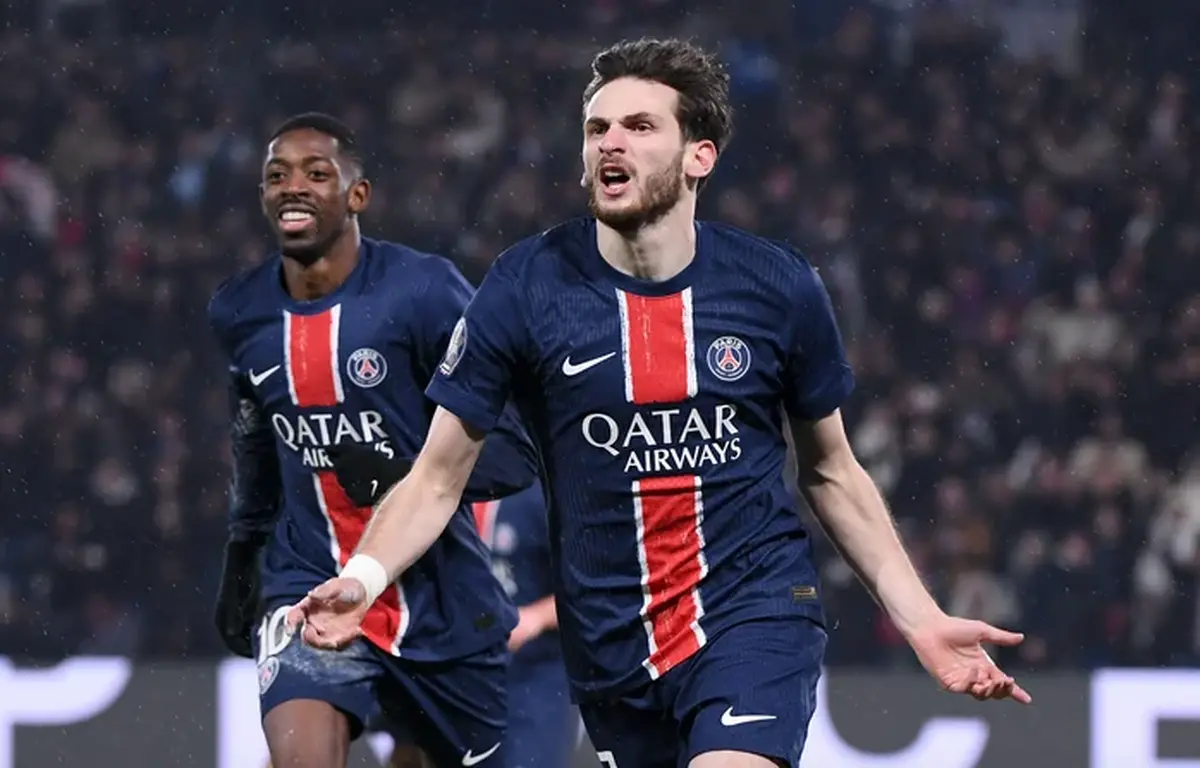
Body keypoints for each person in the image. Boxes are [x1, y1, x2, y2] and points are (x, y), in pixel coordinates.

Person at [287, 39, 1031, 768]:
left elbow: (831, 471)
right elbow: (437, 477)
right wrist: (364, 580)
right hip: (611, 645)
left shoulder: (776, 287)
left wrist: (920, 618)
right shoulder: (525, 286)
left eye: (640, 126)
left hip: (754, 611)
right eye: (597, 128)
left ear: (699, 156)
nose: (610, 143)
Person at [210, 112, 537, 768]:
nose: (292, 186)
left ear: (357, 194)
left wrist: (398, 473)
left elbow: (513, 452)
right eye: (277, 175)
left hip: (439, 600)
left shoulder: (424, 292)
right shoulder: (239, 311)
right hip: (307, 583)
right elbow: (257, 443)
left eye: (316, 173)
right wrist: (242, 555)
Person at [472, 486, 575, 768]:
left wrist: (535, 618)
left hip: (535, 677)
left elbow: (588, 592)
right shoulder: (440, 495)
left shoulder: (539, 496)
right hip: (464, 679)